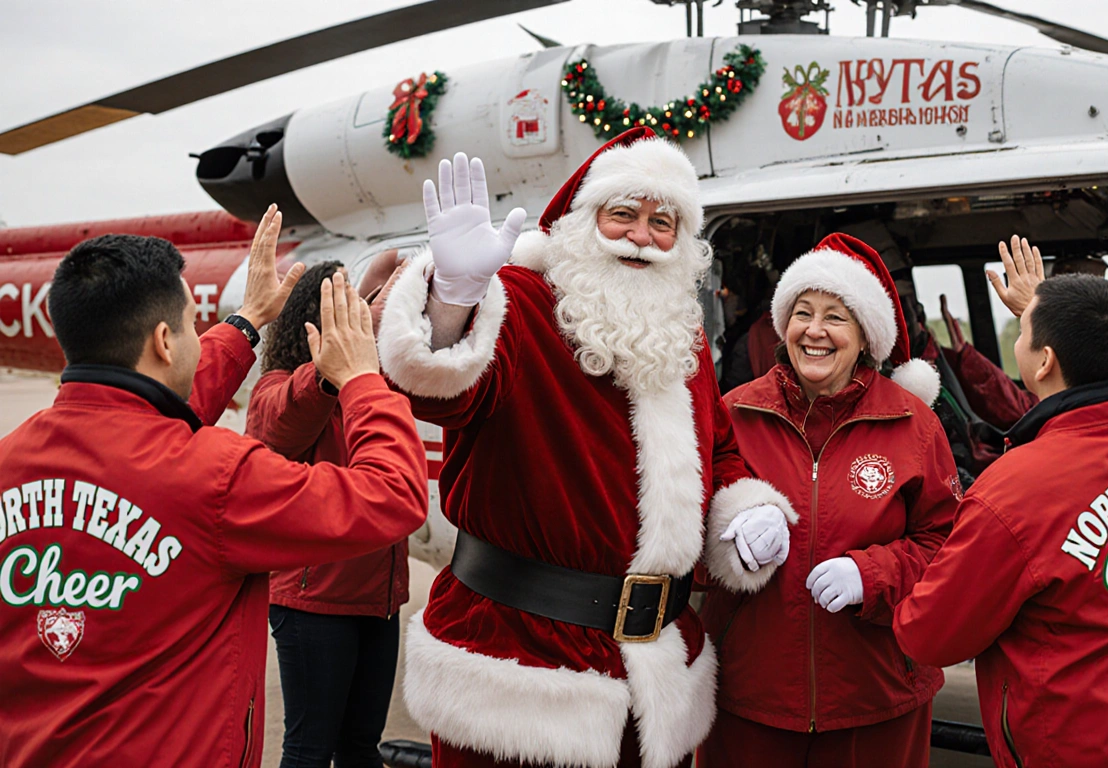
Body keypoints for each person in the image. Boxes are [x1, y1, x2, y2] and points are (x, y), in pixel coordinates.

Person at [375, 127, 794, 768]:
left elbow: (721, 451)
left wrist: (744, 514)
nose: (642, 236)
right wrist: (452, 304)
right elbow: (442, 394)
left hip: (654, 674)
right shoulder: (523, 305)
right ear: (582, 221)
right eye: (622, 214)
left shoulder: (678, 336)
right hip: (520, 670)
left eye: (663, 222)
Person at [0, 206, 428, 767]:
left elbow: (147, 411)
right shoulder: (216, 477)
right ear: (163, 340)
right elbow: (391, 497)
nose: (202, 342)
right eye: (190, 327)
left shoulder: (12, 462)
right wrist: (362, 377)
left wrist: (248, 318)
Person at [892, 238, 1108, 768]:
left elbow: (928, 636)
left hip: (1084, 749)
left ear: (1044, 359)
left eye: (1025, 332)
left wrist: (879, 568)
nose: (1020, 339)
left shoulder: (1014, 491)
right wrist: (1053, 307)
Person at [698, 233, 957, 768]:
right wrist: (727, 543)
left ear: (865, 337)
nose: (815, 331)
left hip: (877, 698)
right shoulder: (731, 414)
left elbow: (949, 546)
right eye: (803, 313)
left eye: (837, 317)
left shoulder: (914, 424)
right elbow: (674, 540)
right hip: (750, 697)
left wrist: (874, 574)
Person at [246, 260, 411, 768]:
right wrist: (330, 369)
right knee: (309, 750)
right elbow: (278, 426)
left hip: (378, 602)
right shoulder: (280, 387)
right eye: (348, 311)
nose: (361, 320)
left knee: (361, 747)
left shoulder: (373, 385)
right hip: (313, 605)